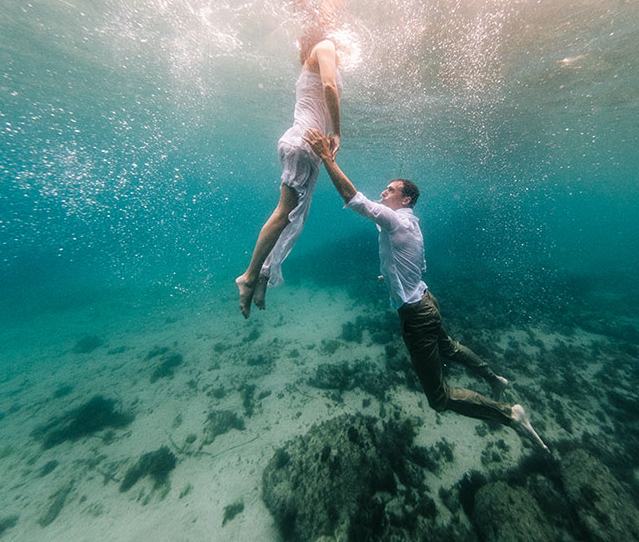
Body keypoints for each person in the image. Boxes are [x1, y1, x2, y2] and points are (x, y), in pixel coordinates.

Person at [302, 128, 549, 450]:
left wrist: (325, 157)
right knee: (448, 347)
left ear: (405, 199)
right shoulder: (410, 222)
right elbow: (415, 264)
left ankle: (510, 414)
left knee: (439, 397)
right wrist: (391, 279)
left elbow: (354, 199)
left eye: (389, 190)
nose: (382, 192)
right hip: (425, 300)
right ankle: (493, 378)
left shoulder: (397, 221)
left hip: (417, 314)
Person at [235, 31, 342, 318]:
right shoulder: (326, 45)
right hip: (303, 145)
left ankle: (262, 277)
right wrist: (338, 133)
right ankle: (248, 276)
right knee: (285, 214)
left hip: (308, 147)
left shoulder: (315, 58)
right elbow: (330, 87)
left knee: (294, 219)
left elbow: (325, 90)